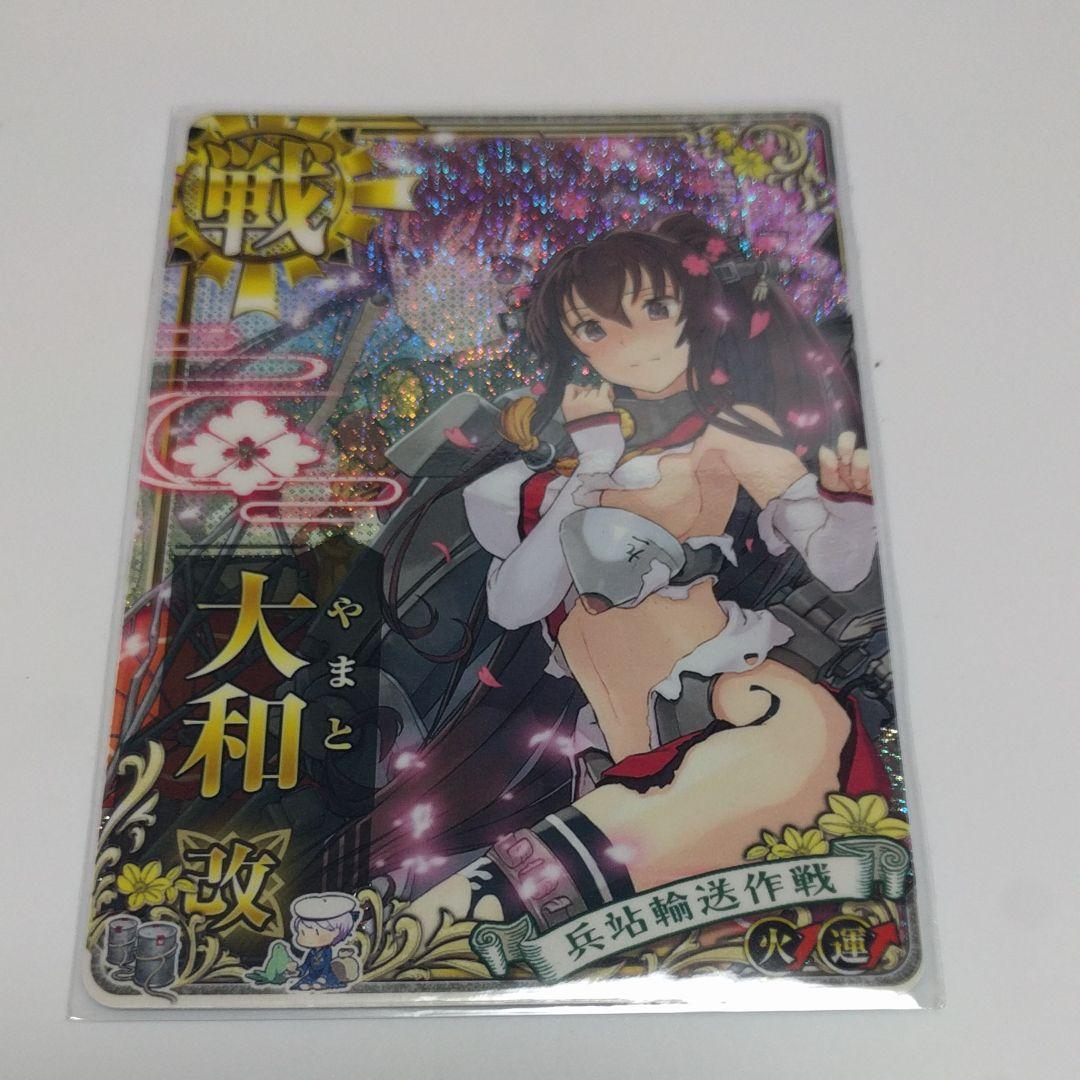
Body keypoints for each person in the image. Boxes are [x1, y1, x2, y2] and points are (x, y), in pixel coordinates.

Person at [394, 213, 886, 940]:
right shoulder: (554, 462)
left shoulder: (727, 430)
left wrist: (850, 512)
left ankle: (467, 922)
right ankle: (437, 936)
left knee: (803, 728)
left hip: (714, 679)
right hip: (619, 732)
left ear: (695, 311)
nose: (631, 343)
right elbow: (514, 606)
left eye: (654, 310)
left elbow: (836, 563)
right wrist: (589, 469)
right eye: (595, 329)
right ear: (573, 346)